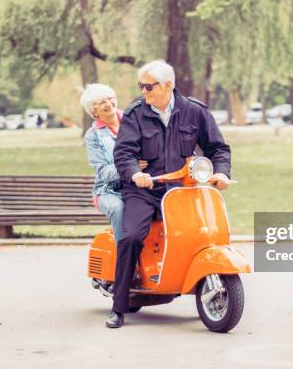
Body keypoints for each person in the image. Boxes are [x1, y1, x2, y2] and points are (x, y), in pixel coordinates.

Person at [106, 60, 232, 328]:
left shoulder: (194, 112)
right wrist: (134, 173)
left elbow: (218, 148)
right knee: (130, 237)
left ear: (168, 85)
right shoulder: (136, 114)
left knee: (202, 234)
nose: (143, 91)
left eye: (148, 86)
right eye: (141, 86)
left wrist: (221, 173)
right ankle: (119, 306)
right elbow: (123, 152)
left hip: (182, 190)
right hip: (144, 190)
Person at [81, 83, 147, 296]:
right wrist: (131, 167)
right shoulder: (93, 136)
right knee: (119, 209)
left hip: (137, 185)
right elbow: (103, 172)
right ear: (94, 111)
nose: (109, 104)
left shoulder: (132, 121)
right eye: (102, 102)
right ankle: (126, 267)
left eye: (111, 98)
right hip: (109, 190)